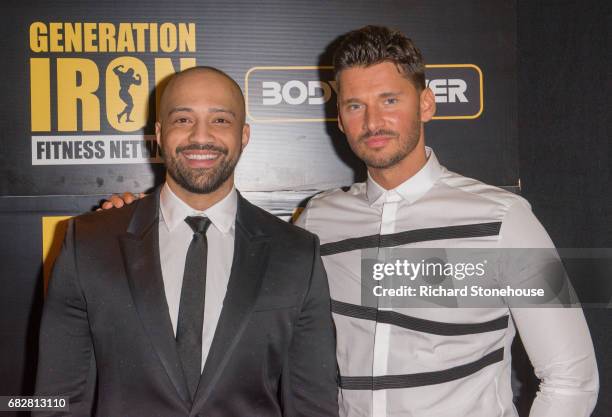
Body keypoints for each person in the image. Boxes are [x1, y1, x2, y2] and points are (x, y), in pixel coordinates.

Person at [101, 27, 599, 417]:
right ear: (339, 118)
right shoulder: (318, 220)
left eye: (390, 100)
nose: (372, 121)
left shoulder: (506, 218)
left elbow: (572, 378)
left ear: (425, 102)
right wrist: (136, 222)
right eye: (355, 105)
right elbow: (230, 249)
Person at [35, 66, 339, 417]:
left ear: (244, 135)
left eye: (220, 120)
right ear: (160, 133)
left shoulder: (297, 253)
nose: (200, 136)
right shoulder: (88, 244)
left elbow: (313, 405)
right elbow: (54, 400)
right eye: (183, 119)